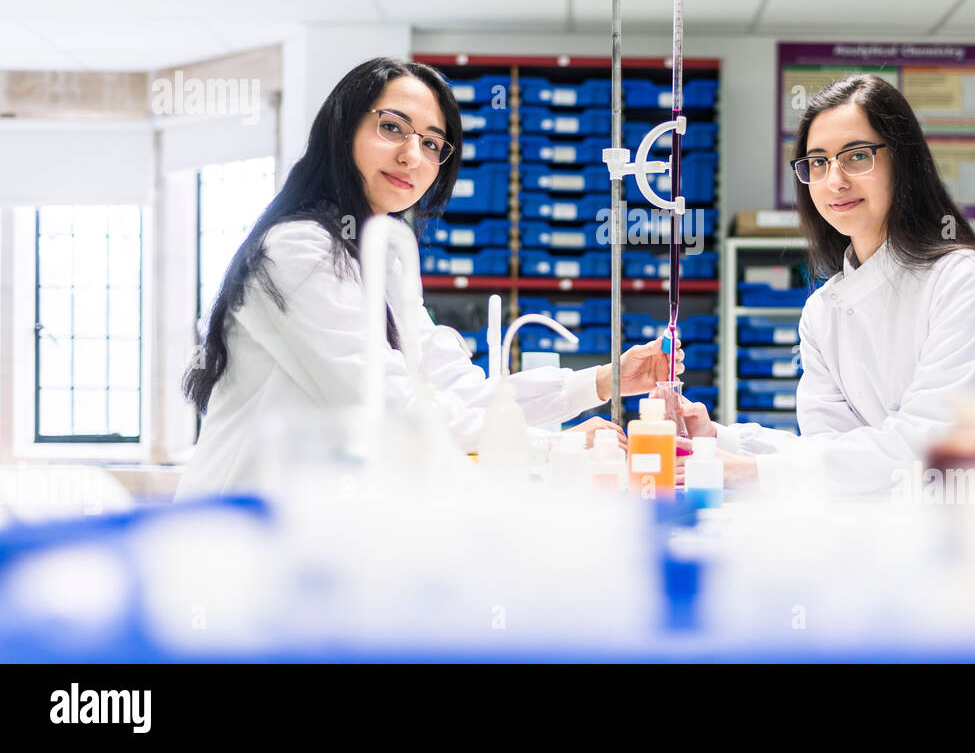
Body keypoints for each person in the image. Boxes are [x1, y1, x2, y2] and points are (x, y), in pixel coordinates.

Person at [177, 57, 678, 498]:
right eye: (392, 128)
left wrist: (604, 380)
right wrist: (551, 447)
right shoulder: (297, 250)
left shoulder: (382, 258)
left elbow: (463, 390)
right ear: (342, 128)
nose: (412, 156)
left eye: (433, 143)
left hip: (313, 528)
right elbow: (391, 410)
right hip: (242, 530)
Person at [679, 74, 975, 550]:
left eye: (857, 156)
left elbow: (923, 443)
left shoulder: (959, 276)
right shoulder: (823, 311)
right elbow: (836, 456)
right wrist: (723, 441)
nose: (834, 179)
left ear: (904, 163)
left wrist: (751, 471)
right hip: (968, 538)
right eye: (817, 163)